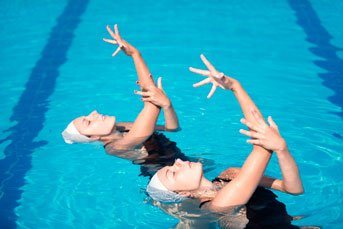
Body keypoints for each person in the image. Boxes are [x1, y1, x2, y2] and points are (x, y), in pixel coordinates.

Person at [146, 54, 305, 228]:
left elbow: (293, 189)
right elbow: (262, 146)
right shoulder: (218, 206)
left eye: (171, 166)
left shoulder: (230, 175)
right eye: (173, 173)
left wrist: (282, 151)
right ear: (183, 193)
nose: (177, 161)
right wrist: (235, 88)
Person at [62, 25, 189, 177]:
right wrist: (135, 55)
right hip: (171, 179)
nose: (94, 113)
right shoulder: (116, 148)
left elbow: (172, 129)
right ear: (94, 138)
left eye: (88, 116)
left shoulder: (121, 127)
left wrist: (167, 105)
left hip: (181, 161)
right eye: (88, 122)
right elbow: (152, 103)